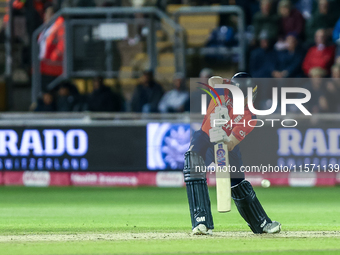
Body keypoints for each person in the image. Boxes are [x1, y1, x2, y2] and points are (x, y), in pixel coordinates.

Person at [183, 73, 281, 235]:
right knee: (193, 162)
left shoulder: (250, 116)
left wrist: (223, 138)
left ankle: (262, 224)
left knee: (238, 184)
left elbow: (231, 144)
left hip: (226, 145)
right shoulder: (226, 88)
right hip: (206, 138)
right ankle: (201, 222)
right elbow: (213, 80)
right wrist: (220, 105)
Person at [38, 5, 65, 91]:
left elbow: (62, 44)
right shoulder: (46, 27)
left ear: (54, 15)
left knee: (51, 92)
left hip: (54, 67)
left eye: (48, 13)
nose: (45, 15)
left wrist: (54, 57)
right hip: (45, 66)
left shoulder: (59, 25)